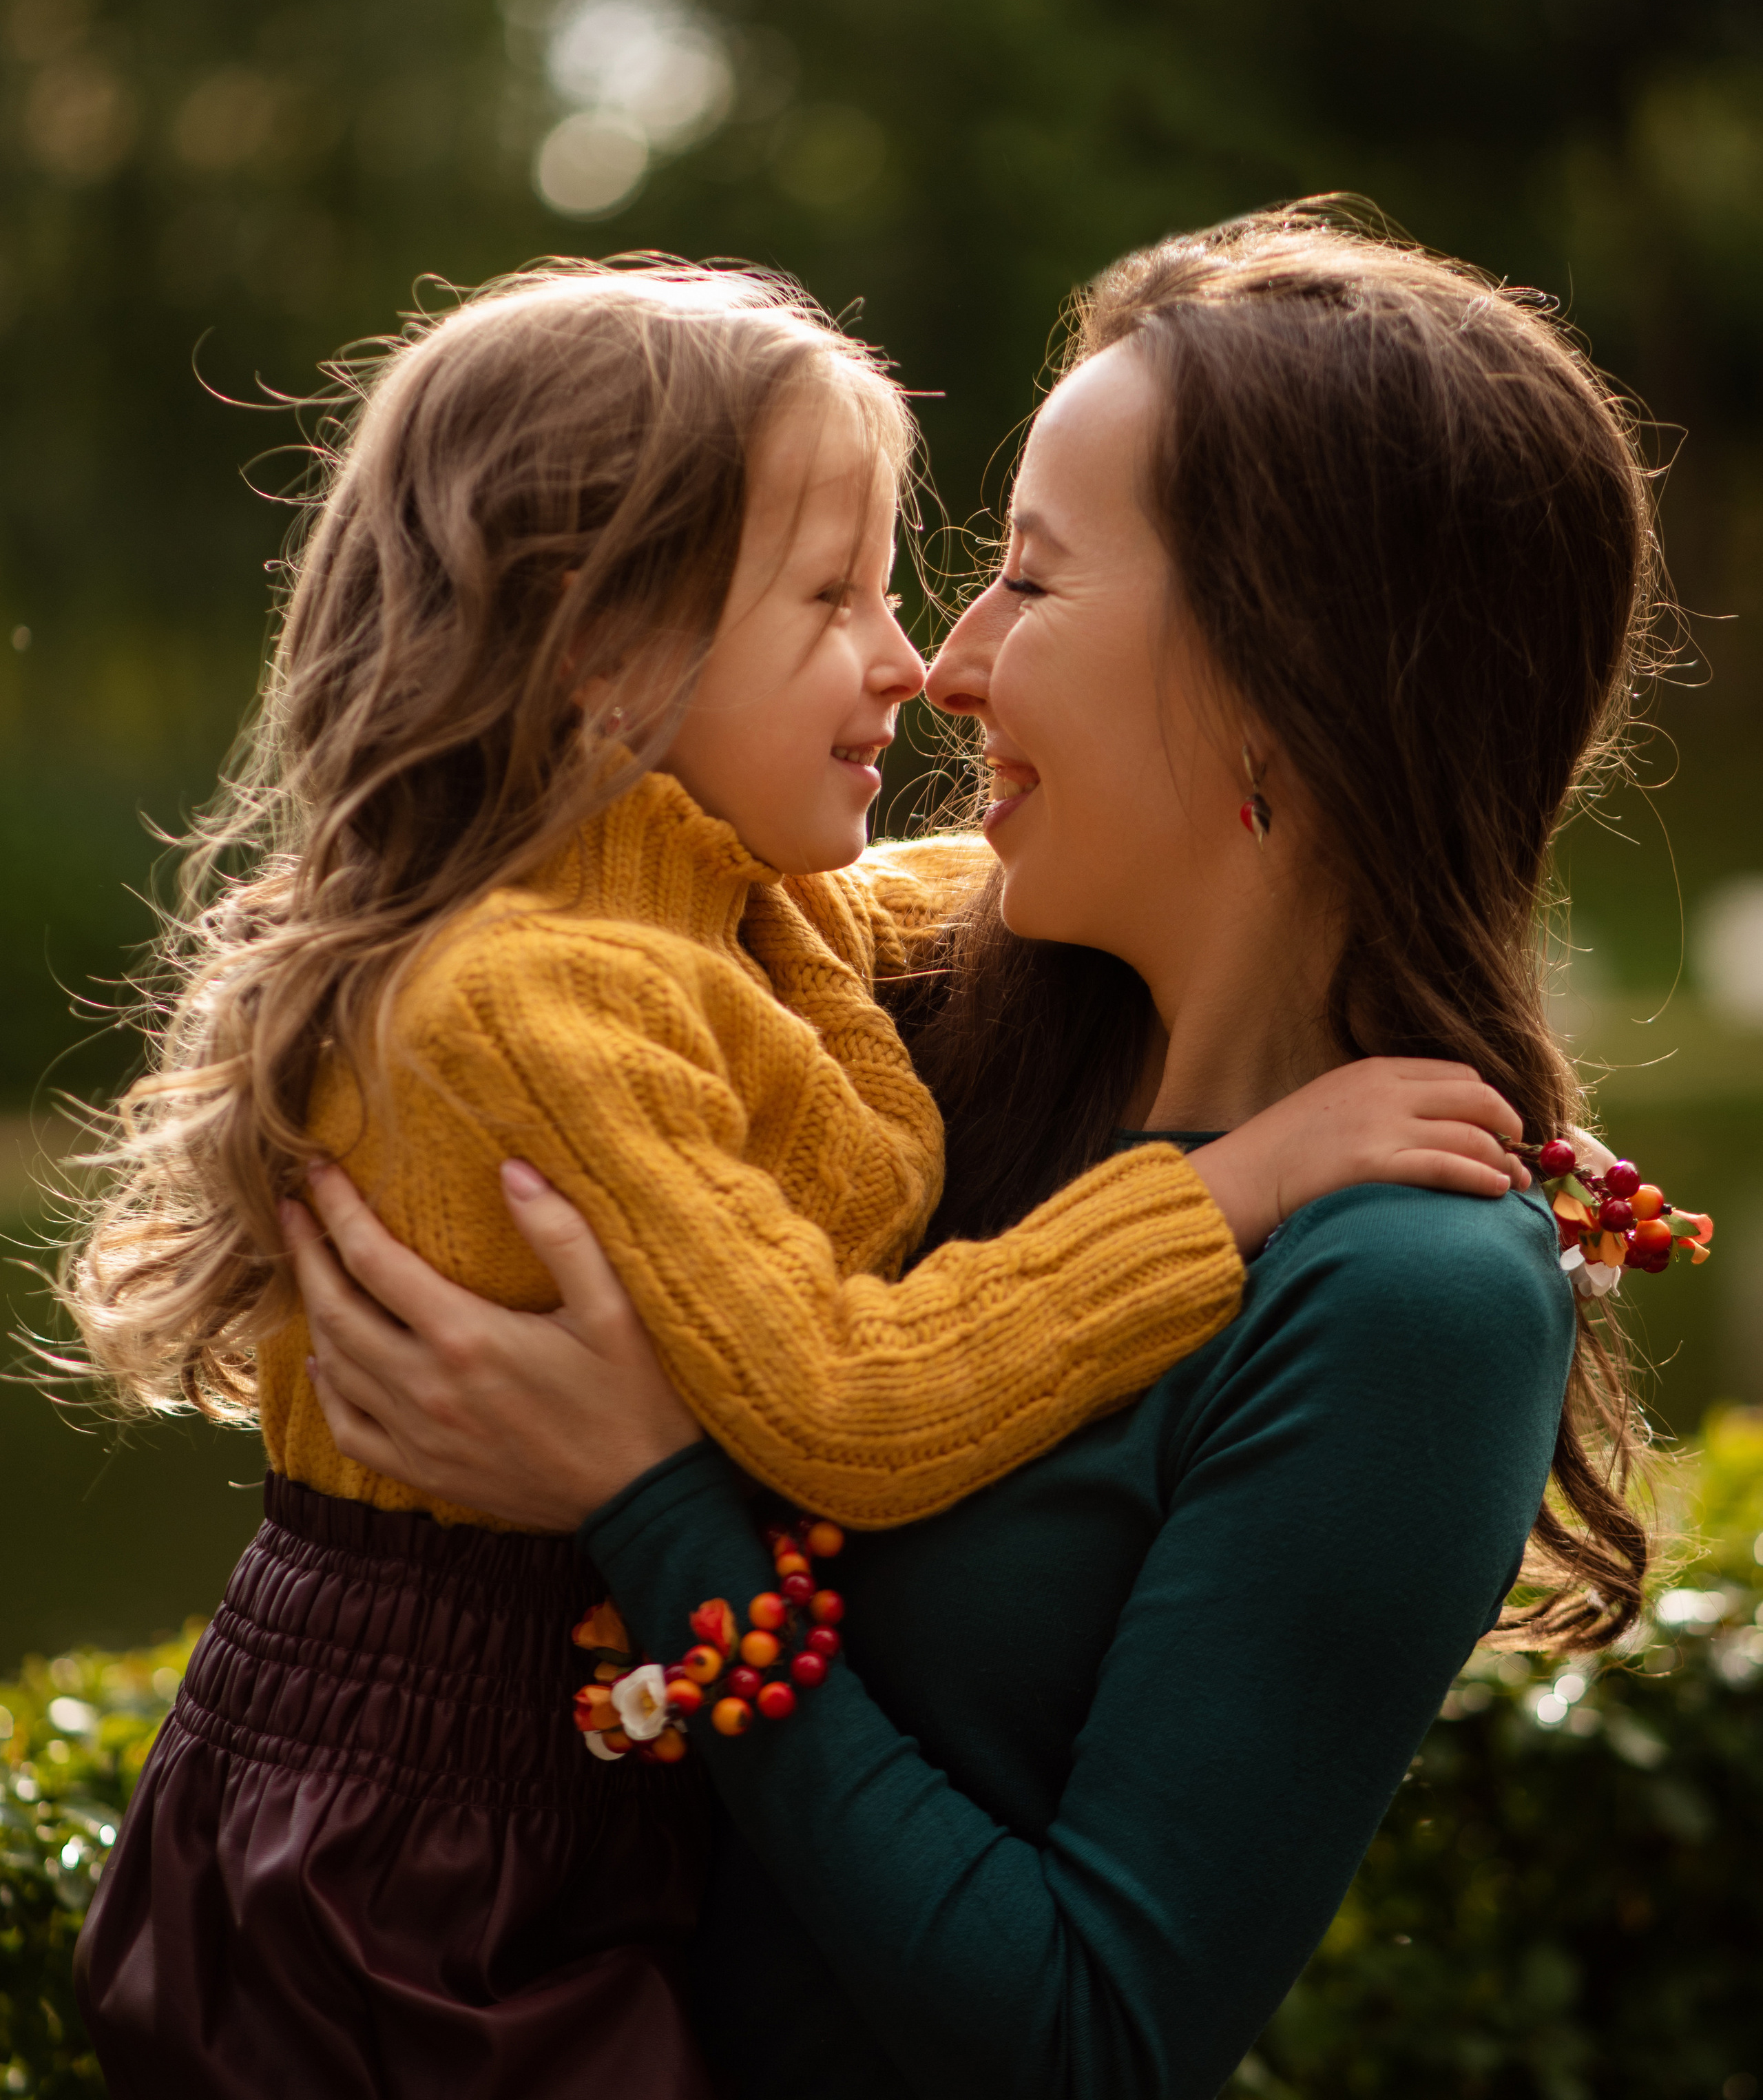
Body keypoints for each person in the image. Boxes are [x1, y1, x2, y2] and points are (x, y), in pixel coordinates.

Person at [65, 256, 1520, 2098]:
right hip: (425, 1855)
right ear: (600, 652)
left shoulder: (1412, 1284)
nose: (936, 658)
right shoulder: (598, 983)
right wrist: (1241, 1174)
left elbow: (1087, 2031)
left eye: (1026, 575)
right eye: (845, 594)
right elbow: (850, 1376)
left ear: (1283, 668)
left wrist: (645, 1493)